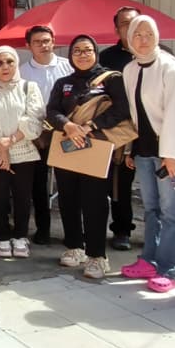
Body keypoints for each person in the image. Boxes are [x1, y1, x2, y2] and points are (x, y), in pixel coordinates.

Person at [46, 35, 131, 281]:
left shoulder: (111, 79)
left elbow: (122, 109)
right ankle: (75, 247)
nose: (82, 55)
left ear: (96, 52)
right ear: (70, 55)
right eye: (77, 51)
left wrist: (93, 125)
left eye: (87, 50)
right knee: (68, 199)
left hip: (97, 145)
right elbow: (52, 111)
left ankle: (97, 256)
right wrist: (68, 125)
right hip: (68, 144)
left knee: (94, 201)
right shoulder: (63, 83)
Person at [119, 16, 175, 292]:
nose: (143, 39)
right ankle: (149, 259)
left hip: (166, 153)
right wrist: (128, 148)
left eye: (149, 34)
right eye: (138, 34)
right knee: (151, 209)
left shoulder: (170, 69)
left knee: (171, 211)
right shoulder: (130, 69)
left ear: (158, 36)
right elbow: (132, 115)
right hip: (142, 151)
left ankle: (170, 269)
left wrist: (173, 155)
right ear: (129, 39)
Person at [0, 46, 45, 259]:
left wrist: (10, 141)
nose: (5, 67)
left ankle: (20, 236)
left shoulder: (29, 88)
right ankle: (3, 238)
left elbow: (34, 119)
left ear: (16, 63)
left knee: (23, 196)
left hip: (24, 152)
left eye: (10, 62)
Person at [18, 24, 72, 245]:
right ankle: (43, 230)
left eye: (46, 41)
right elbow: (20, 106)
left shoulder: (67, 67)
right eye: (38, 42)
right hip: (36, 136)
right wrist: (33, 134)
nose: (43, 45)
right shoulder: (22, 71)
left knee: (67, 185)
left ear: (54, 41)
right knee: (38, 185)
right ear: (28, 46)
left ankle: (72, 233)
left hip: (64, 134)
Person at [100, 5, 139, 251]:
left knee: (155, 187)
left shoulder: (159, 54)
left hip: (147, 132)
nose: (131, 27)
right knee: (113, 183)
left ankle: (154, 234)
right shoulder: (107, 58)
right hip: (115, 129)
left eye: (135, 22)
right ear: (116, 28)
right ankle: (118, 230)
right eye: (124, 23)